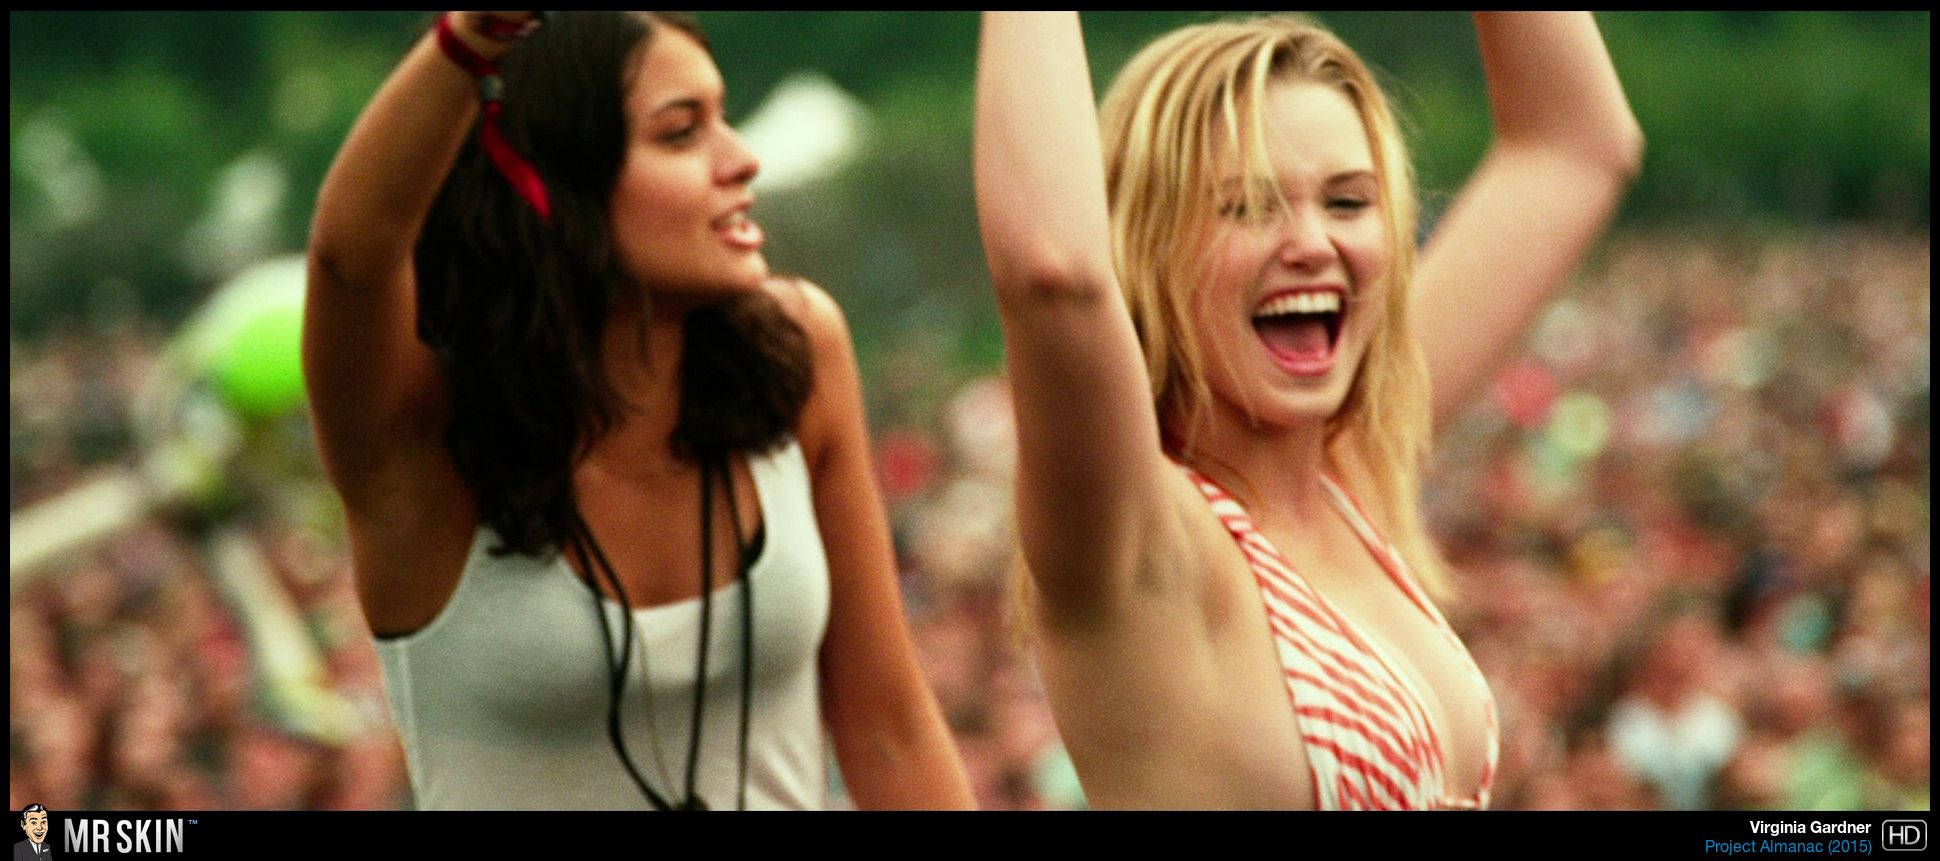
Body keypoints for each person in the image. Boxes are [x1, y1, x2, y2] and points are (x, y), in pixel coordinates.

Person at [305, 11, 973, 810]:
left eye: (723, 117)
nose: (741, 157)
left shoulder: (797, 355)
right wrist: (470, 38)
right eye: (681, 133)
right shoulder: (415, 433)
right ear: (549, 178)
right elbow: (351, 261)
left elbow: (889, 727)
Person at [975, 12, 1642, 808]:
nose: (1313, 243)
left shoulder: (1353, 471)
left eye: (1348, 201)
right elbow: (1052, 267)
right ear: (1146, 246)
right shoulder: (1143, 539)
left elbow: (1575, 148)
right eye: (1250, 207)